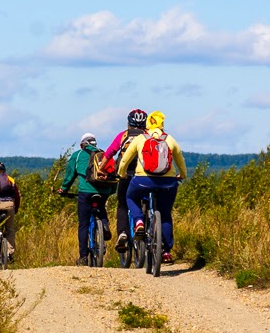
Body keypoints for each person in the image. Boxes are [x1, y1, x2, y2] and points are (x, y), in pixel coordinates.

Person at [117, 110, 187, 264]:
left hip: (143, 180)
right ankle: (166, 251)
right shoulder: (170, 139)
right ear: (162, 124)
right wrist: (182, 175)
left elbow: (125, 159)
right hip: (168, 182)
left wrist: (122, 173)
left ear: (147, 124)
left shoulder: (141, 138)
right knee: (166, 214)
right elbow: (180, 161)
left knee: (130, 197)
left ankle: (139, 222)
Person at [58, 133, 116, 266]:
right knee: (101, 208)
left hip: (86, 192)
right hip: (104, 191)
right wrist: (111, 191)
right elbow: (113, 174)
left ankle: (83, 257)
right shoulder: (104, 154)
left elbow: (70, 175)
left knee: (83, 224)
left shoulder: (78, 155)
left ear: (82, 144)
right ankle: (104, 224)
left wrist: (64, 189)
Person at [103, 108, 148, 252]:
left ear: (129, 123)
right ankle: (147, 227)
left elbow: (109, 153)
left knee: (123, 204)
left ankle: (123, 232)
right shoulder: (148, 136)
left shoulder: (123, 136)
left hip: (126, 175)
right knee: (144, 201)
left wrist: (101, 169)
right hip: (144, 175)